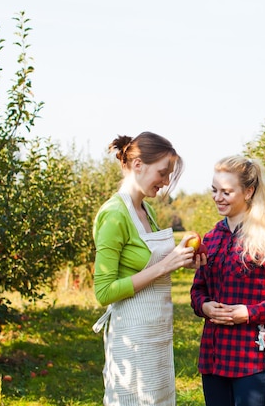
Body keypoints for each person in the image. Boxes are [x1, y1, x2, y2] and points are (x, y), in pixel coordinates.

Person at [92, 132, 205, 406]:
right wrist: (165, 265)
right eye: (162, 172)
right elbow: (104, 291)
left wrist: (181, 260)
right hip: (132, 334)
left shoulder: (146, 211)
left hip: (157, 332)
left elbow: (147, 266)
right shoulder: (114, 215)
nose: (166, 182)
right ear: (138, 164)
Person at [190, 155, 265, 406]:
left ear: (249, 191)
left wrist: (249, 313)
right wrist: (204, 306)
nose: (218, 197)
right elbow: (198, 289)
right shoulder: (211, 239)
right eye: (215, 190)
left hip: (251, 355)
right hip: (213, 354)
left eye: (227, 192)